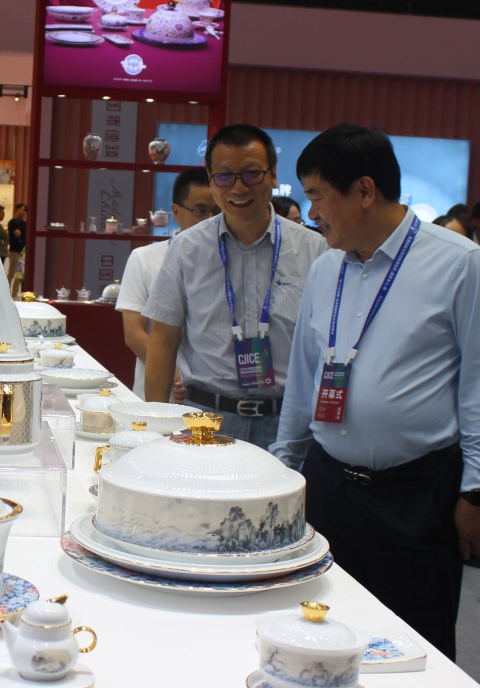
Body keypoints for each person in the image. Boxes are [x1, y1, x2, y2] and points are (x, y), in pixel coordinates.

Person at [271, 123, 480, 660]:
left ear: (364, 190)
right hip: (328, 486)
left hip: (415, 493)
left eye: (317, 195)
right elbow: (307, 378)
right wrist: (286, 467)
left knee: (412, 640)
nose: (312, 212)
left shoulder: (459, 264)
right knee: (319, 628)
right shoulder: (325, 269)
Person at [144, 124, 327, 449]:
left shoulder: (315, 250)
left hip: (288, 424)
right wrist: (154, 432)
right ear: (211, 180)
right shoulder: (186, 249)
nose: (239, 188)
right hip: (205, 421)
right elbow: (163, 340)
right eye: (225, 176)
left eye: (252, 174)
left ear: (273, 175)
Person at [116, 168, 219, 397]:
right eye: (200, 211)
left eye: (216, 211)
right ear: (176, 211)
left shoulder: (228, 262)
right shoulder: (144, 258)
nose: (209, 220)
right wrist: (175, 375)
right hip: (160, 392)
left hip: (211, 396)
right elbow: (134, 333)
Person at [7, 203, 27, 296]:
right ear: (17, 210)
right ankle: (6, 292)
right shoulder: (12, 222)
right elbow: (17, 234)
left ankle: (14, 293)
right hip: (14, 251)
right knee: (12, 272)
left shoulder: (25, 223)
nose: (24, 212)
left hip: (22, 252)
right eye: (22, 210)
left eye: (25, 211)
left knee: (19, 273)